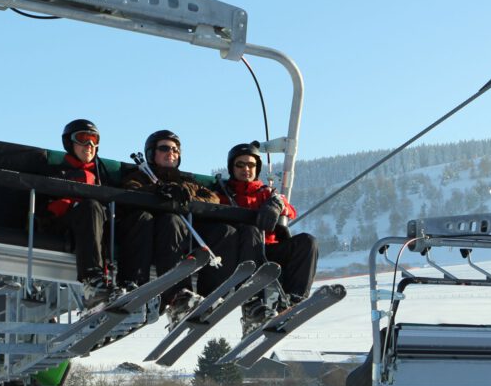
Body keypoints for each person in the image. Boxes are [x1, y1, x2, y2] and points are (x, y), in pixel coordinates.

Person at [118, 130, 259, 322]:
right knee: (171, 221)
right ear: (152, 153)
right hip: (155, 234)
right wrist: (158, 191)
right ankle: (178, 297)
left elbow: (213, 197)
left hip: (185, 235)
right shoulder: (139, 176)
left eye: (175, 150)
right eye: (165, 148)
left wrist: (186, 195)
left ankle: (212, 294)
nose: (171, 153)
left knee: (226, 231)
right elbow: (131, 190)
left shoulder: (186, 181)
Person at [218, 142, 318, 334]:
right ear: (232, 167)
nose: (246, 169)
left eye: (251, 165)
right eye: (240, 165)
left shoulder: (266, 193)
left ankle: (294, 299)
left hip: (269, 250)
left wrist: (276, 205)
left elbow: (289, 209)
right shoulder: (223, 192)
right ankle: (252, 304)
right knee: (250, 231)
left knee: (307, 242)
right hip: (241, 252)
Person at [39, 119, 114, 307]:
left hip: (96, 226)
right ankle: (91, 280)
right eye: (83, 139)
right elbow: (47, 207)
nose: (89, 146)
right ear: (69, 143)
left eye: (93, 140)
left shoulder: (102, 176)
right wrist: (73, 203)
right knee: (91, 206)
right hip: (64, 225)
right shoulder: (58, 173)